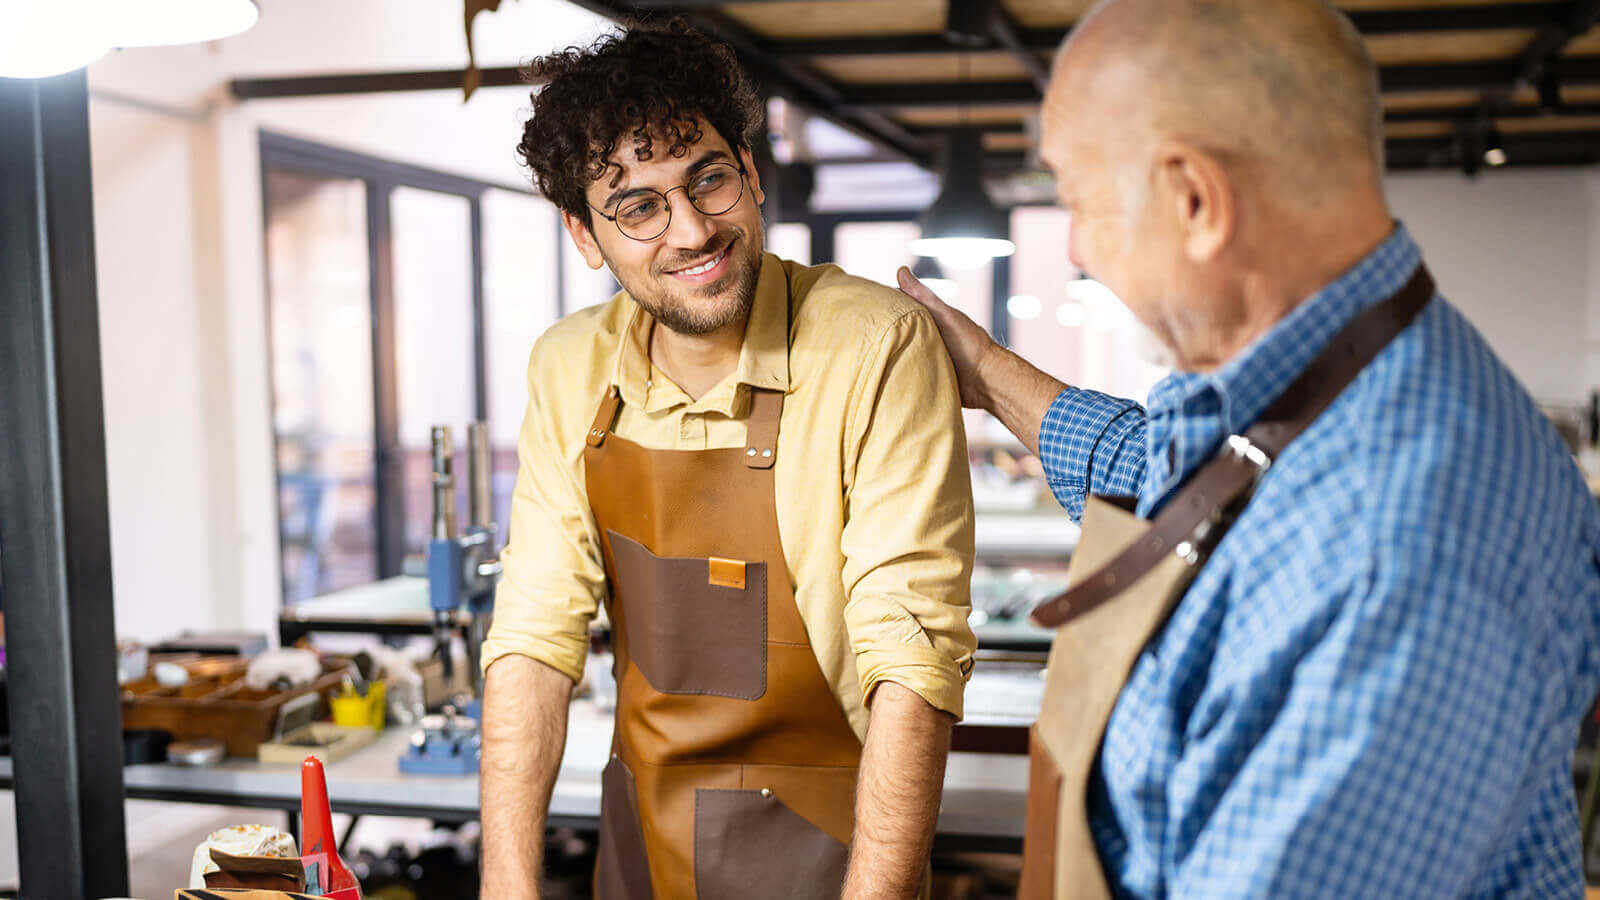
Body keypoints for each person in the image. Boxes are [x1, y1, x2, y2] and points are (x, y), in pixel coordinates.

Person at [898, 0, 1600, 895]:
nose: (1076, 248)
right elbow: (1170, 474)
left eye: (1078, 201)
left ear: (1196, 200)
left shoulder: (1400, 554)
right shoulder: (1342, 382)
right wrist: (989, 375)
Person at [478, 20, 975, 900]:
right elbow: (534, 637)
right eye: (638, 206)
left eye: (707, 179)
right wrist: (506, 887)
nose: (691, 231)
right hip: (640, 853)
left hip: (842, 860)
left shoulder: (875, 344)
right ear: (585, 235)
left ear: (748, 172)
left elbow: (914, 653)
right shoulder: (569, 367)